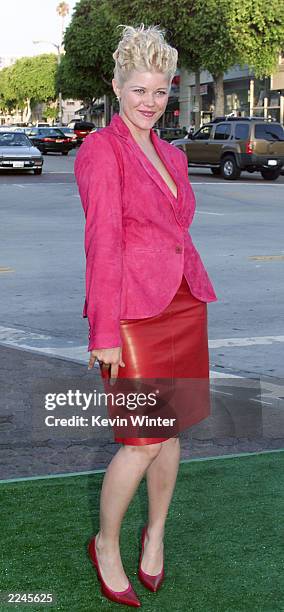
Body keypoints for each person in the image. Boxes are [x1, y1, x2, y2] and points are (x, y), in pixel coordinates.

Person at [75, 24, 218, 608]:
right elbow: (102, 243)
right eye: (138, 91)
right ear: (116, 85)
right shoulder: (98, 151)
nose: (150, 103)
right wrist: (104, 331)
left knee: (172, 429)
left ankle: (154, 533)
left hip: (183, 303)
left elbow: (175, 231)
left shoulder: (173, 156)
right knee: (141, 440)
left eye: (159, 92)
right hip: (133, 317)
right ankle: (106, 544)